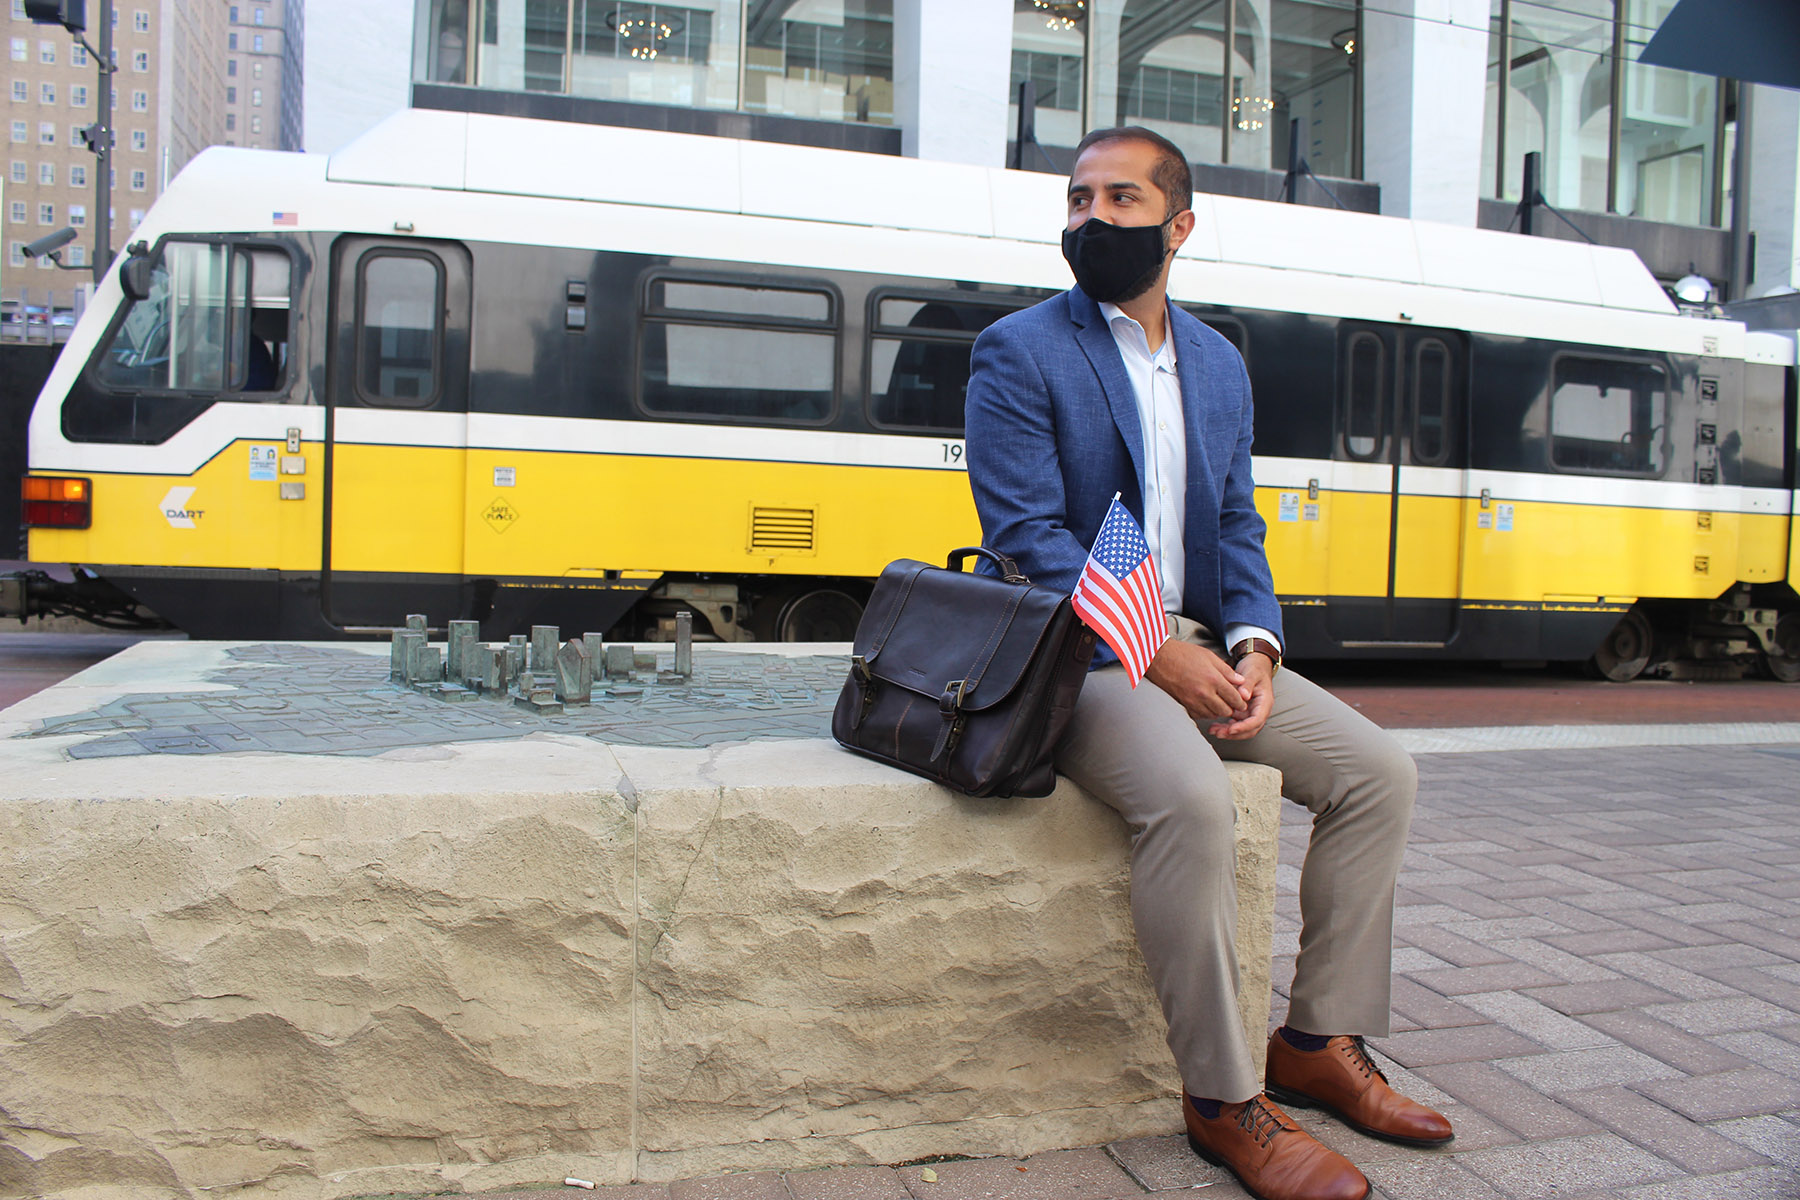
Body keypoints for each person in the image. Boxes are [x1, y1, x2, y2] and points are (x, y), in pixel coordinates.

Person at [963, 126, 1452, 1200]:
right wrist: (1158, 653)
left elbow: (1235, 524)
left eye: (1121, 200)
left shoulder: (1218, 362)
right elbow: (1027, 533)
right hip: (1080, 651)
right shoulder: (1020, 349)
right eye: (1080, 199)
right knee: (1191, 801)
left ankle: (1316, 1043)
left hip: (1195, 642)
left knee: (1379, 773)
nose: (1093, 218)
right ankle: (1225, 1101)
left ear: (1178, 226)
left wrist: (1253, 648)